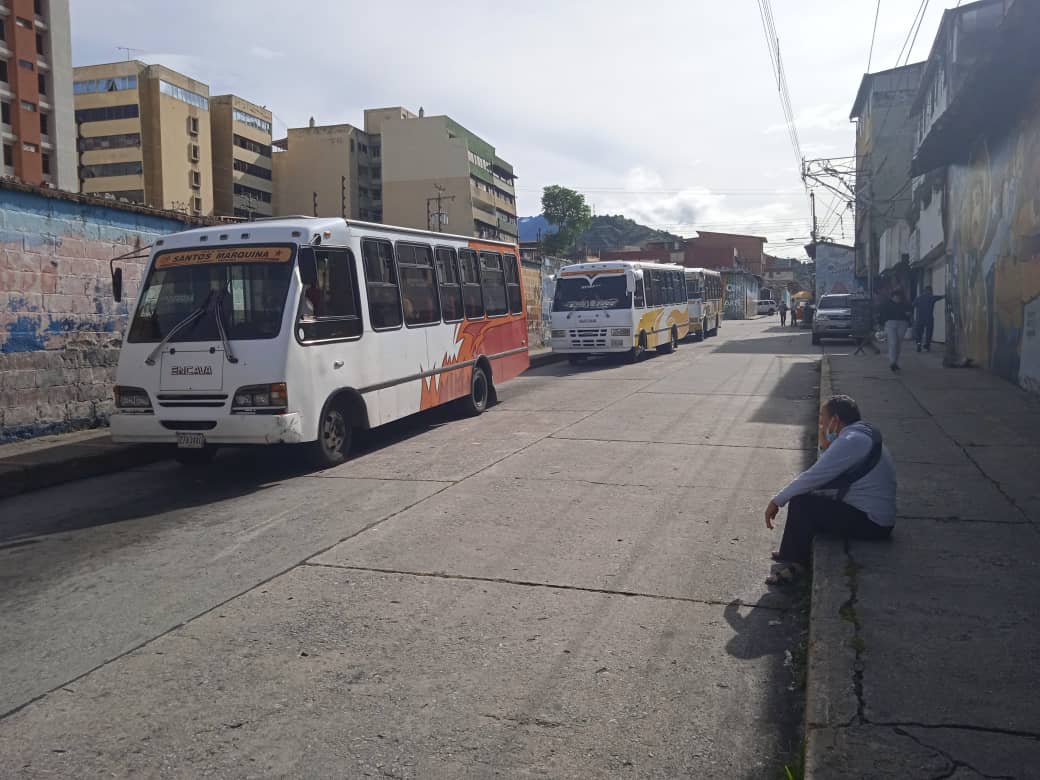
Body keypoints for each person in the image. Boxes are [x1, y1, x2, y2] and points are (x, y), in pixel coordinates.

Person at [764, 394, 896, 586]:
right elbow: (827, 474)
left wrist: (776, 501)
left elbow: (813, 477)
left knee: (802, 502)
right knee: (807, 498)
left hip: (873, 523)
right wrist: (825, 445)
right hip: (875, 517)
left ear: (835, 420)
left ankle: (798, 567)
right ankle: (789, 553)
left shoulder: (850, 440)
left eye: (822, 419)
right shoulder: (860, 434)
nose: (821, 425)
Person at [878, 290, 913, 371]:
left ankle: (895, 362)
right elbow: (881, 313)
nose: (897, 299)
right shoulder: (886, 304)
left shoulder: (905, 304)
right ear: (892, 297)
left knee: (898, 343)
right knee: (893, 342)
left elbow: (910, 311)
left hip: (902, 324)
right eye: (896, 297)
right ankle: (892, 362)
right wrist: (881, 324)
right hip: (890, 324)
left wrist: (908, 314)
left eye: (899, 297)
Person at [912, 286, 945, 352]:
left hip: (919, 318)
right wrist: (946, 295)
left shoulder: (918, 298)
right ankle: (927, 345)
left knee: (919, 333)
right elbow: (941, 297)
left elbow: (913, 305)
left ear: (924, 290)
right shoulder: (932, 297)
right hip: (929, 318)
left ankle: (918, 344)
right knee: (929, 333)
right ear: (930, 291)